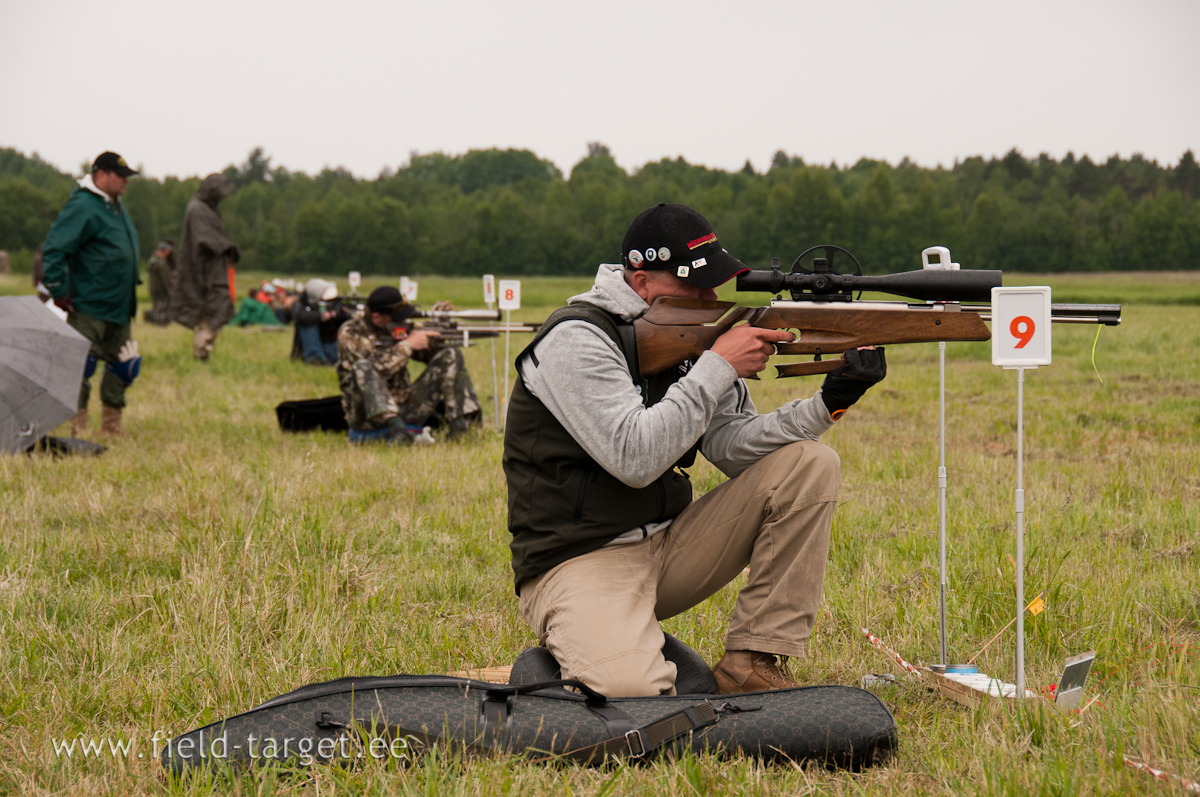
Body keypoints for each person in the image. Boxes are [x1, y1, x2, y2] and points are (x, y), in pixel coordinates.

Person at [502, 203, 887, 697]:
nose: (711, 298)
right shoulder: (575, 340)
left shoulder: (692, 343)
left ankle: (751, 660)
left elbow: (734, 447)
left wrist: (828, 403)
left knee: (809, 464)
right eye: (695, 286)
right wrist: (716, 365)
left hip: (669, 546)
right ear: (642, 283)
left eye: (715, 283)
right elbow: (634, 459)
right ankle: (584, 649)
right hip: (578, 560)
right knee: (630, 695)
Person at [41, 151, 144, 437]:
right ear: (100, 175)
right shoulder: (84, 205)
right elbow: (54, 249)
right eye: (120, 176)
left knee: (123, 365)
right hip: (89, 305)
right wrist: (59, 291)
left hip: (120, 306)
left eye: (127, 177)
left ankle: (111, 425)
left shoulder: (115, 206)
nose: (125, 181)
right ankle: (79, 425)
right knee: (80, 367)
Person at [337, 286, 482, 443]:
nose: (402, 321)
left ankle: (459, 428)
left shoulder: (399, 327)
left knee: (451, 355)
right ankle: (398, 432)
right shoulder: (351, 333)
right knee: (362, 366)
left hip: (405, 406)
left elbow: (432, 357)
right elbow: (375, 370)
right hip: (367, 415)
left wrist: (436, 333)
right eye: (396, 318)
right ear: (377, 317)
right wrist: (406, 346)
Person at [172, 174, 239, 360]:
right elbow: (206, 240)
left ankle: (203, 351)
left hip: (213, 271)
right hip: (203, 271)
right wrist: (226, 247)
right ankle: (201, 353)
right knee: (209, 314)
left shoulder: (206, 208)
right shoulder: (198, 209)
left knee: (215, 311)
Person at [294, 279, 352, 364]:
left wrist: (339, 315)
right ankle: (315, 359)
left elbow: (348, 319)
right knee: (308, 324)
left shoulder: (337, 306)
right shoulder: (302, 305)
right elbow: (301, 316)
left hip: (331, 347)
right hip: (316, 346)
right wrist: (321, 317)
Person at [145, 240, 175, 325]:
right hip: (161, 289)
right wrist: (169, 290)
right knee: (161, 307)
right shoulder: (161, 263)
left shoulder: (153, 260)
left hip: (154, 288)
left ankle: (155, 320)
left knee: (157, 306)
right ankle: (159, 323)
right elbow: (165, 278)